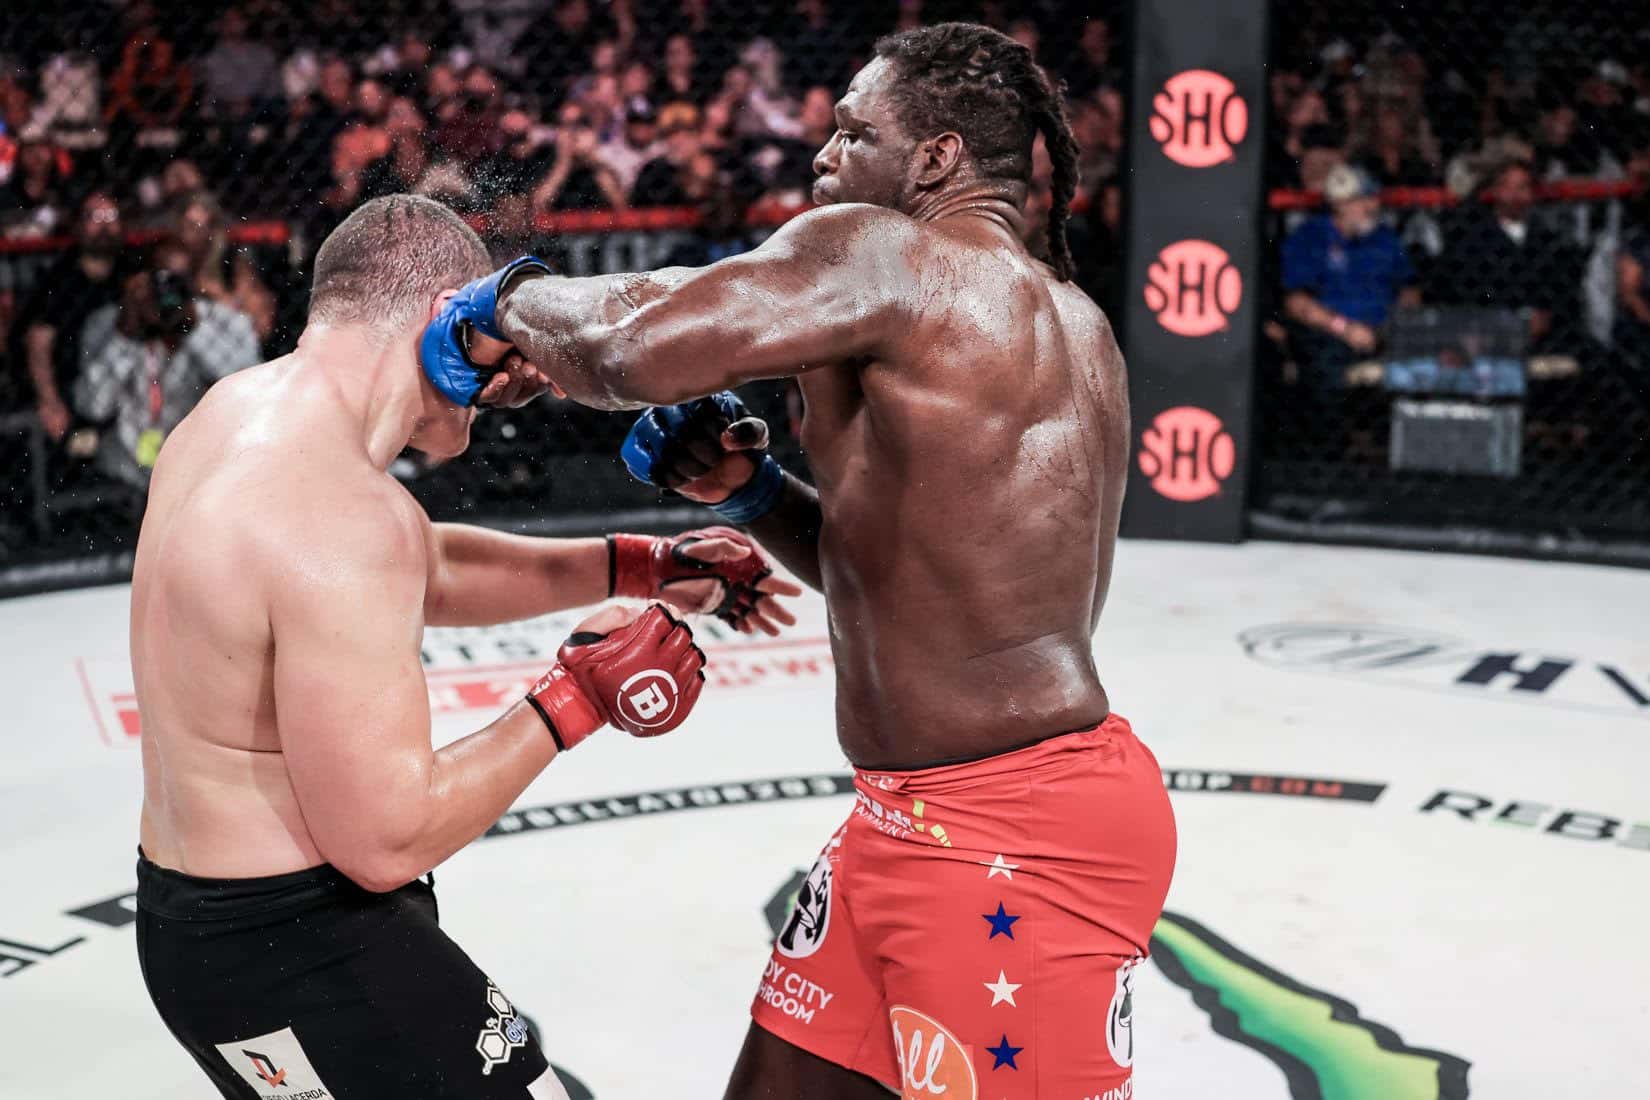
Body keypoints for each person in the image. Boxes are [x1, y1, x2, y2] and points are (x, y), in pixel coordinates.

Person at [426, 23, 1176, 1098]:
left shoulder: (892, 255)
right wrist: (755, 494)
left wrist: (503, 301)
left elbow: (633, 349)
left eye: (854, 132)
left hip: (1006, 839)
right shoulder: (1078, 325)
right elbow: (922, 582)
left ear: (937, 157)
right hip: (916, 816)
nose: (823, 155)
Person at [130, 194, 796, 1099]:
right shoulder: (340, 515)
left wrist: (641, 565)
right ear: (457, 318)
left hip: (203, 928)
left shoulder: (234, 416)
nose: (513, 374)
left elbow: (426, 569)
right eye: (501, 332)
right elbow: (387, 839)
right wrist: (576, 697)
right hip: (305, 949)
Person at [17, 191, 131, 444]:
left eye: (111, 216)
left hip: (125, 379)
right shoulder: (61, 278)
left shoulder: (130, 272)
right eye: (95, 217)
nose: (104, 225)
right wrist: (50, 401)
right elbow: (38, 340)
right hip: (76, 383)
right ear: (78, 226)